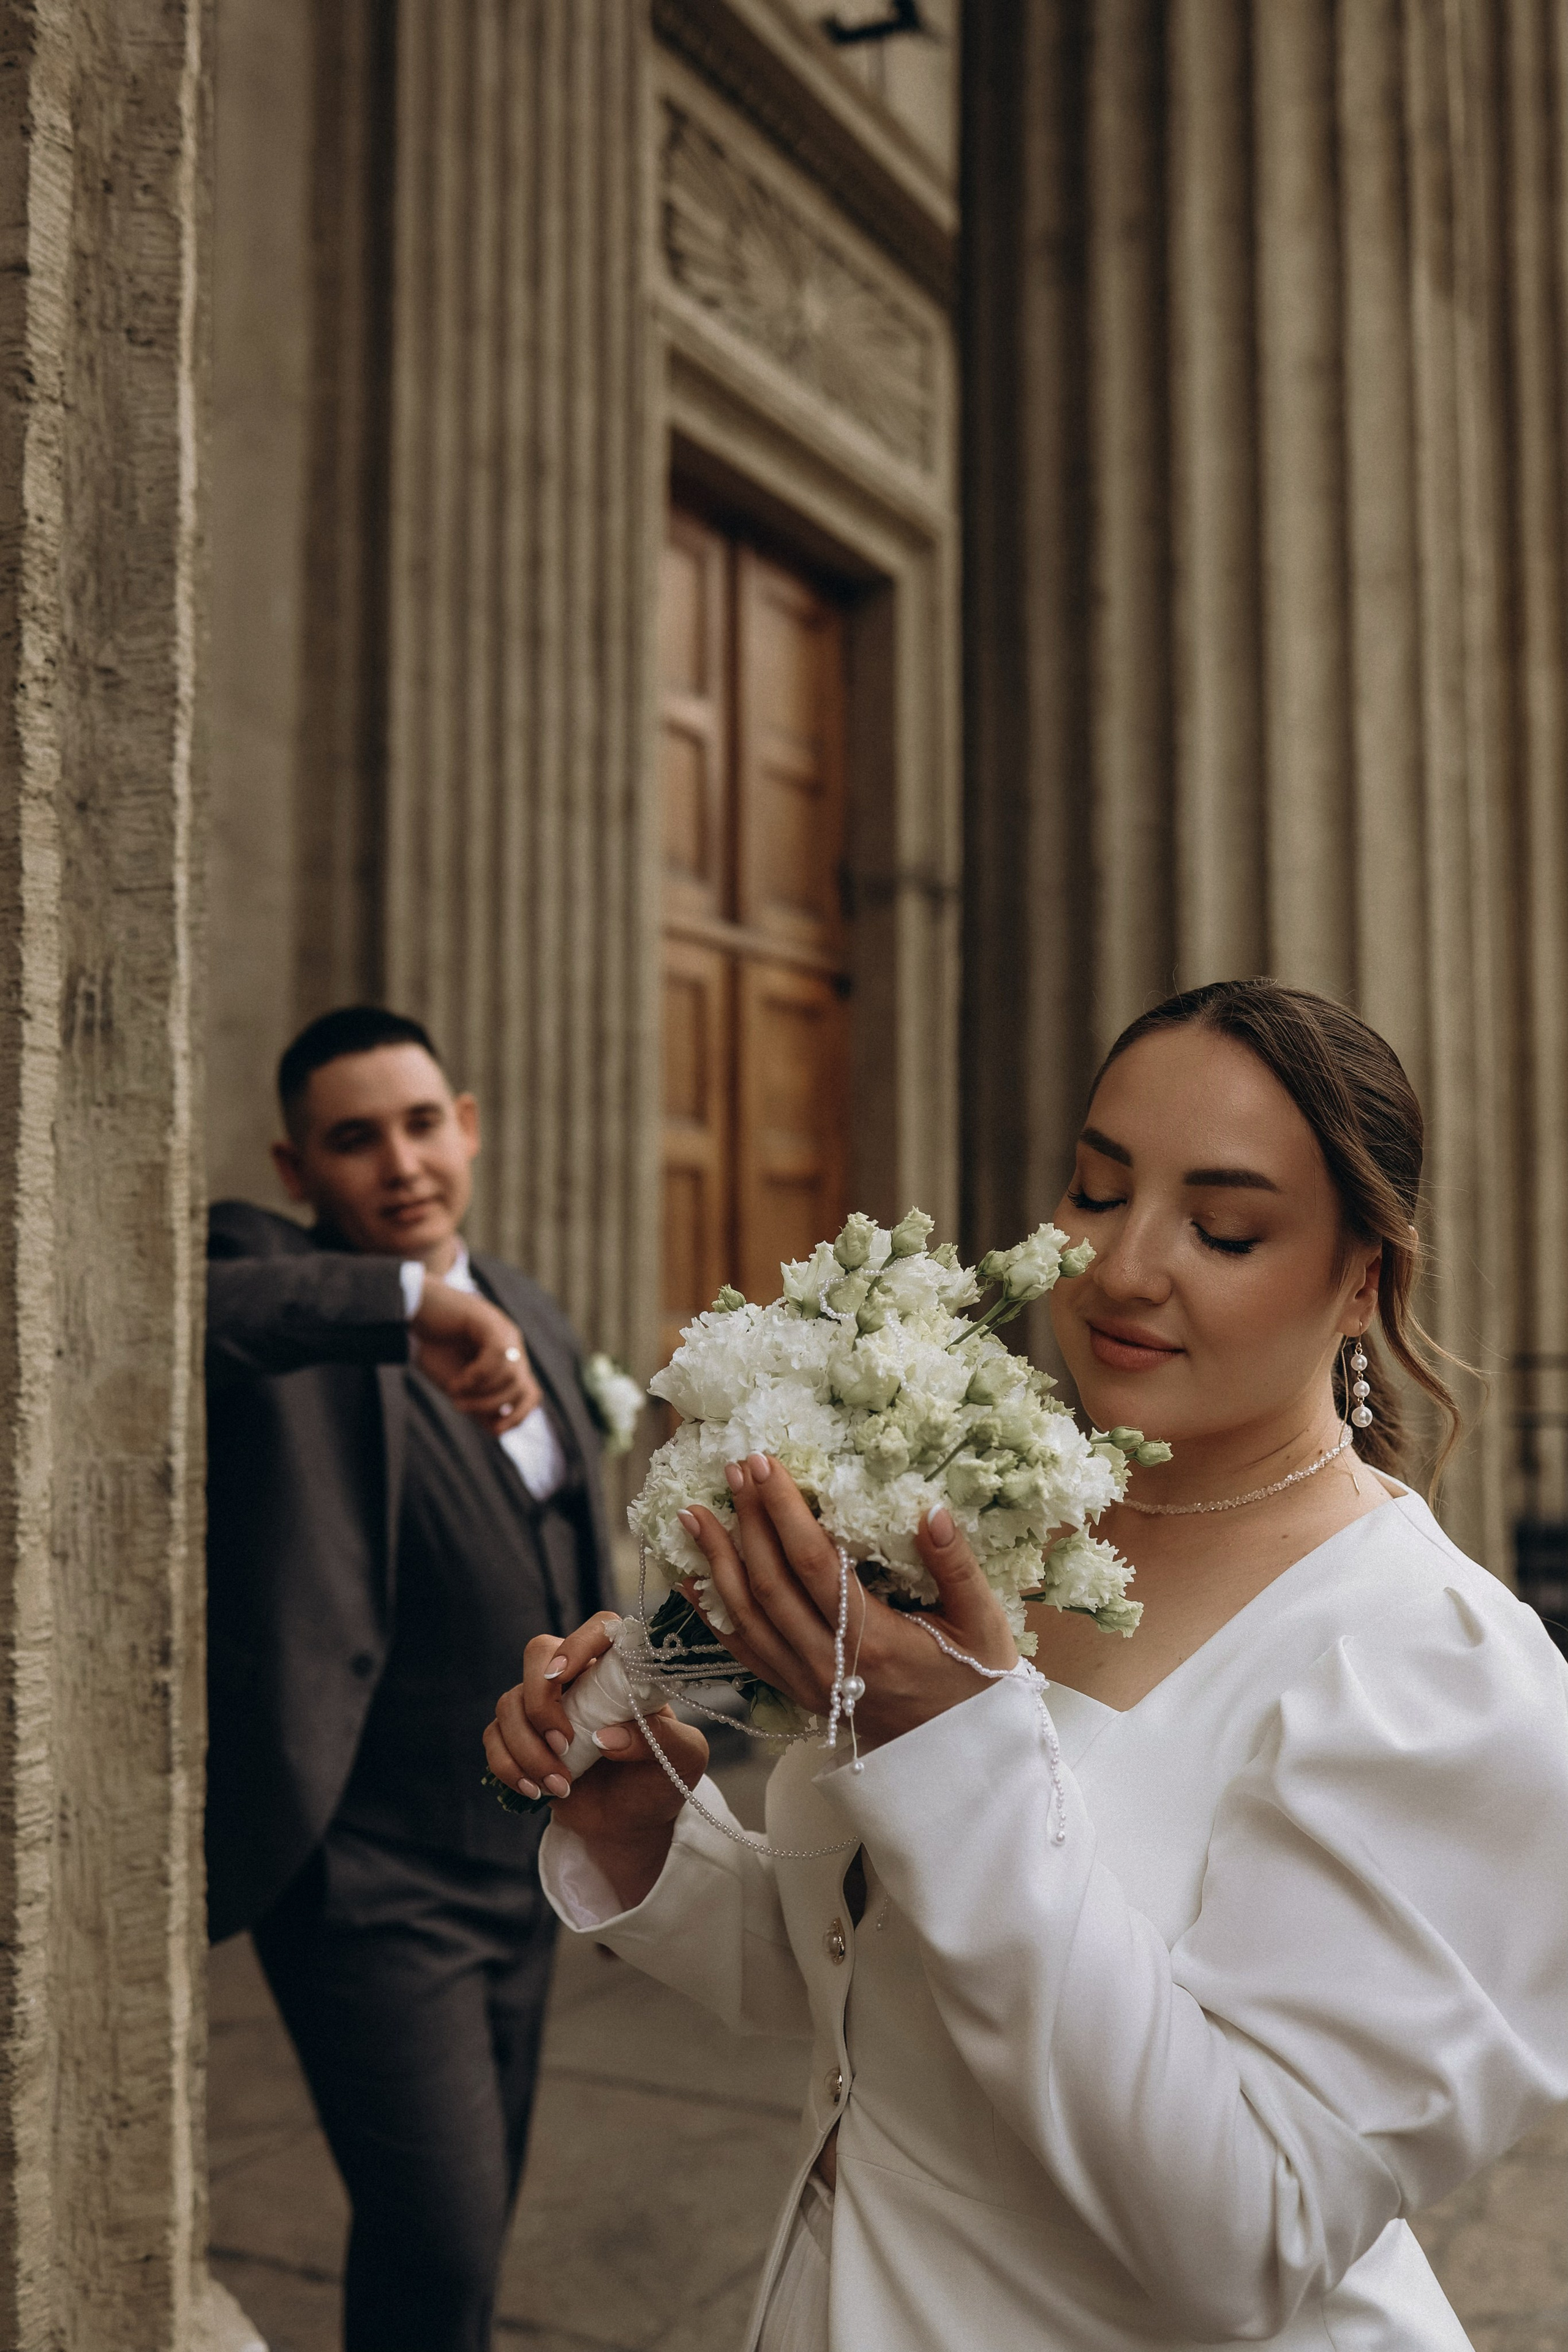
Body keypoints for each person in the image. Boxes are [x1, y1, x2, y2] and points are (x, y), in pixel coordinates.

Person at [486, 979, 1568, 2352]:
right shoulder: (992, 1529)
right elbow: (880, 1996)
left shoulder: (1433, 1669)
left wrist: (954, 1747)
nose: (1119, 1269)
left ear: (1364, 1276)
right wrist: (651, 1836)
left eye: (1222, 1229)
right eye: (1095, 1190)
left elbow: (1242, 2237)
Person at [206, 1005, 614, 2352]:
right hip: (370, 1881)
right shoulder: (276, 1277)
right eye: (353, 1138)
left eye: (423, 1123)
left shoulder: (537, 1309)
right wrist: (403, 1305)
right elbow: (198, 1310)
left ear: (471, 1127)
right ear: (293, 1169)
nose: (400, 1163)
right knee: (437, 2240)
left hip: (523, 1859)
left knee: (466, 2240)